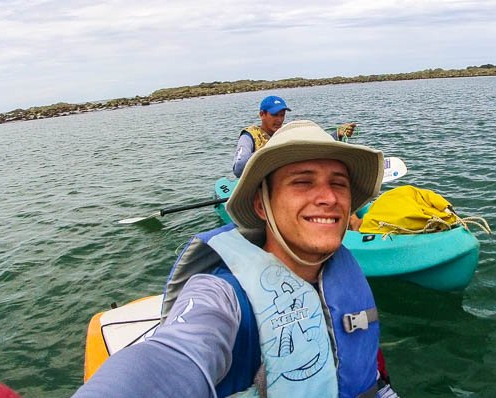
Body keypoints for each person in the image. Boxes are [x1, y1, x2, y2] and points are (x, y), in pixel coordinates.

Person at [76, 120, 395, 398]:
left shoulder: (342, 273)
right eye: (302, 181)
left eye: (338, 184)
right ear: (261, 206)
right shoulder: (220, 296)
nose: (328, 197)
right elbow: (174, 356)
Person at [233, 95, 357, 177]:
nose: (279, 120)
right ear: (262, 114)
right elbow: (238, 169)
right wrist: (271, 152)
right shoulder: (249, 136)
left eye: (282, 115)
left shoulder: (286, 133)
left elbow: (311, 148)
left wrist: (338, 134)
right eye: (275, 115)